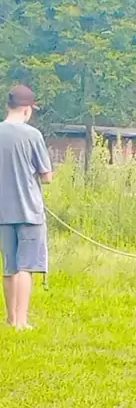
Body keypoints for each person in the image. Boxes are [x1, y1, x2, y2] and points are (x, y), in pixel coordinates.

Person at [0, 85, 53, 329]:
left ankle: (10, 319)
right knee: (26, 267)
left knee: (9, 266)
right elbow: (46, 176)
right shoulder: (33, 135)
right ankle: (22, 322)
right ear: (26, 109)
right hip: (30, 211)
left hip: (3, 212)